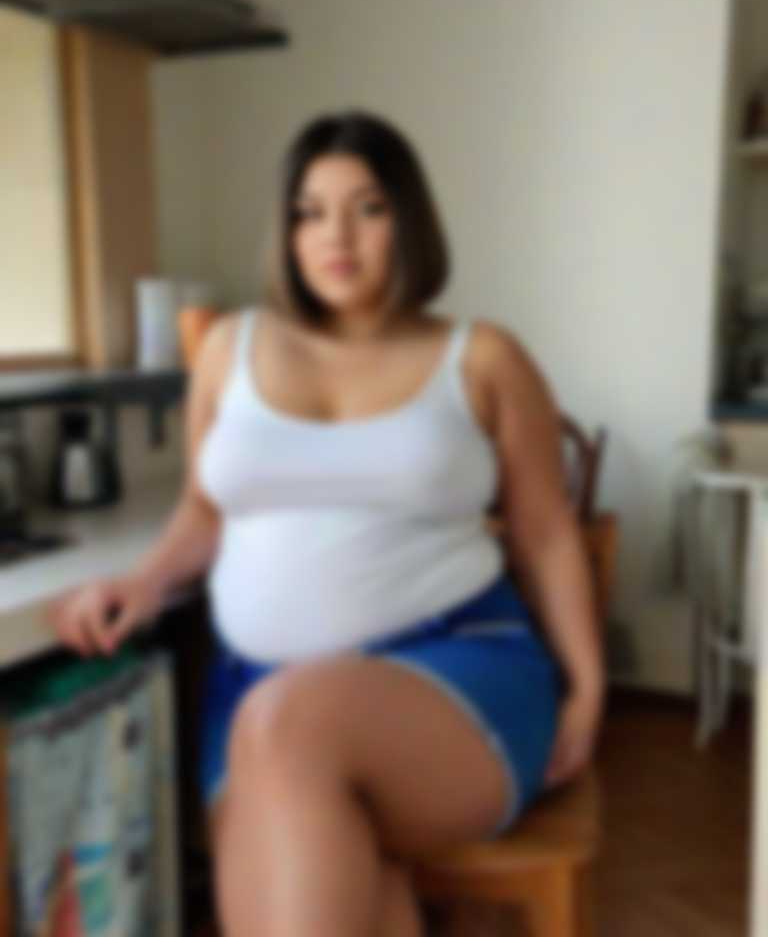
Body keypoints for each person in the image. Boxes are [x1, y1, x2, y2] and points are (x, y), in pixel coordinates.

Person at [47, 109, 606, 937]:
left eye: (367, 208)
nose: (335, 236)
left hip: (456, 669)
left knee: (289, 739)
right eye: (310, 213)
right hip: (258, 694)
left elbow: (546, 534)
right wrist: (145, 581)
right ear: (286, 231)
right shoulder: (227, 348)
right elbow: (205, 507)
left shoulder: (485, 357)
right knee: (329, 883)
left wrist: (588, 689)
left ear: (408, 220)